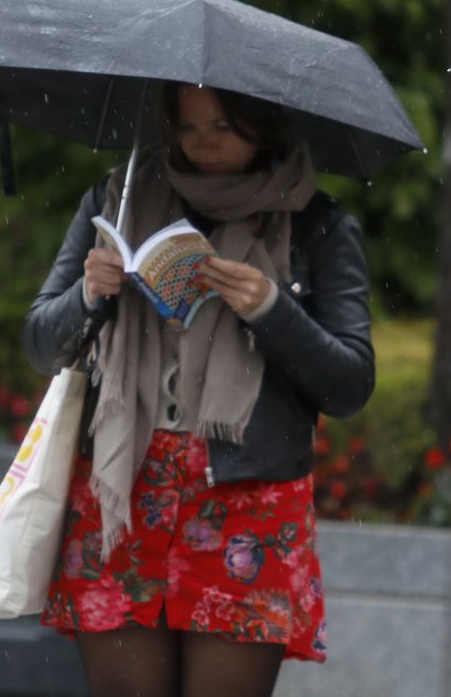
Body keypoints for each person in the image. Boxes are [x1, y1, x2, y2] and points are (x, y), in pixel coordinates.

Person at [25, 83, 375, 697]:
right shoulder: (118, 200)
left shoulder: (317, 222)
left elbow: (349, 384)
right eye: (186, 128)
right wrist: (89, 295)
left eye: (221, 126)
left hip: (247, 505)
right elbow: (39, 345)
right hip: (121, 492)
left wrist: (272, 309)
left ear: (264, 124)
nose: (202, 143)